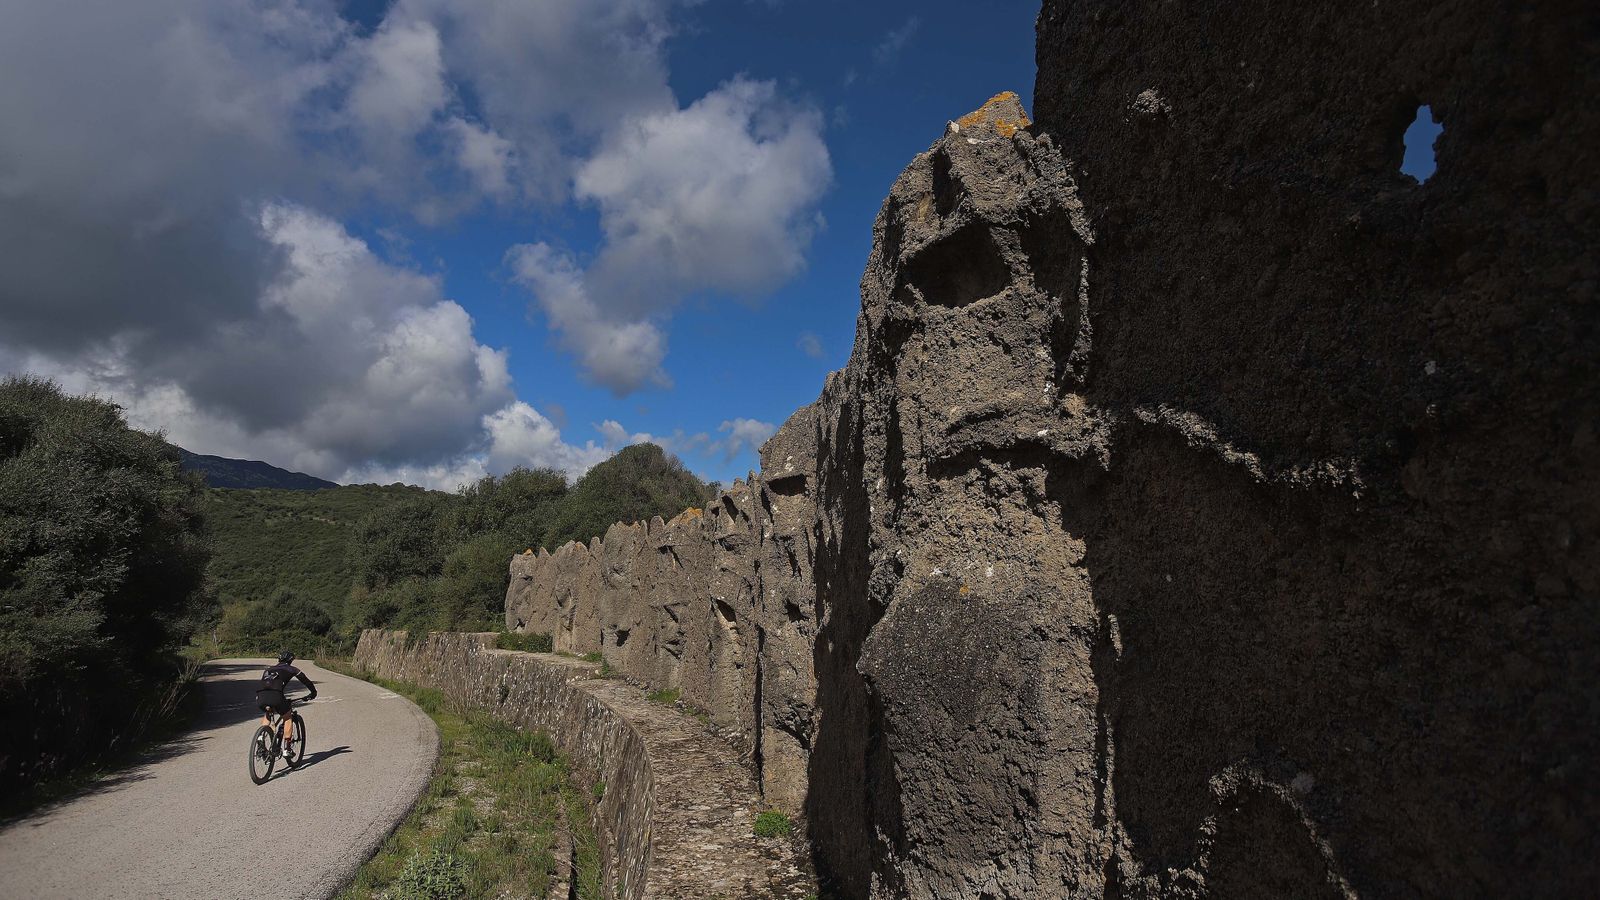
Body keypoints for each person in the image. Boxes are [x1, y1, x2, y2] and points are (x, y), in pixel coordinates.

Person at [256, 651, 316, 758]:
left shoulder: (268, 669)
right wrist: (313, 692)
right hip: (276, 696)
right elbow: (305, 680)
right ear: (291, 660)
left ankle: (261, 737)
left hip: (261, 696)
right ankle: (287, 749)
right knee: (287, 717)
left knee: (268, 712)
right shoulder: (292, 669)